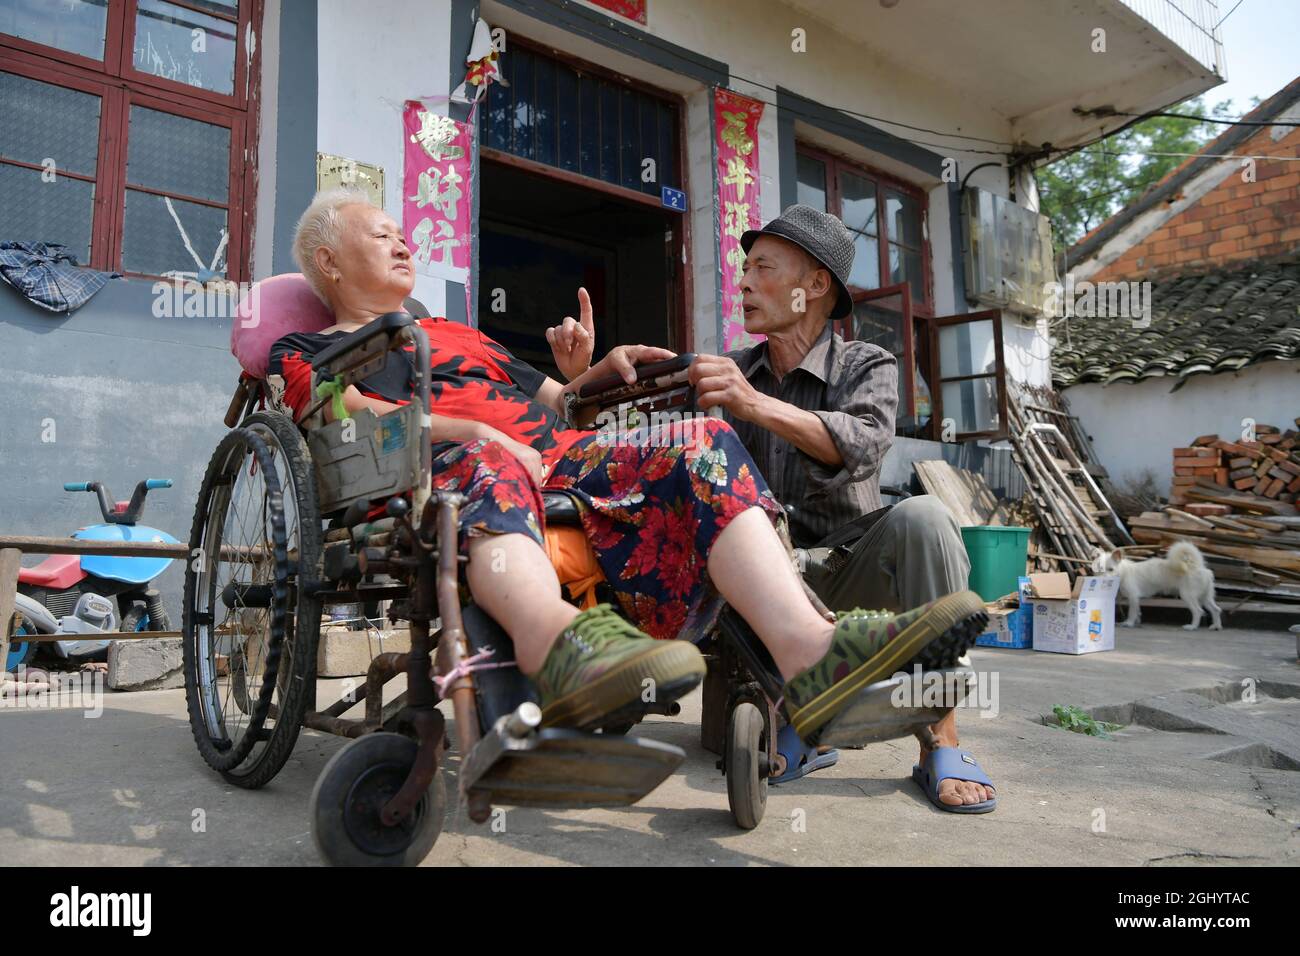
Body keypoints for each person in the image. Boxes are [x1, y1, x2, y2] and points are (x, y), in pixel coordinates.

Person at [268, 187, 987, 745]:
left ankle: (811, 656)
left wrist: (592, 373)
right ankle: (560, 647)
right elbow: (349, 420)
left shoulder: (460, 335)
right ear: (328, 262)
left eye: (401, 231)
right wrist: (475, 430)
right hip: (444, 470)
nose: (401, 242)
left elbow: (560, 402)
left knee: (699, 440)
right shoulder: (307, 351)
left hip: (549, 459)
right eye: (380, 234)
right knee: (488, 460)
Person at [547, 205, 997, 813]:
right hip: (757, 586)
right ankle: (800, 717)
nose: (745, 281)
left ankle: (940, 739)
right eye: (744, 268)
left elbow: (861, 445)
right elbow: (631, 444)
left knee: (925, 519)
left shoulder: (867, 364)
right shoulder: (734, 372)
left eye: (763, 267)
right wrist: (581, 383)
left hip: (847, 571)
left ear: (814, 286)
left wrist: (752, 404)